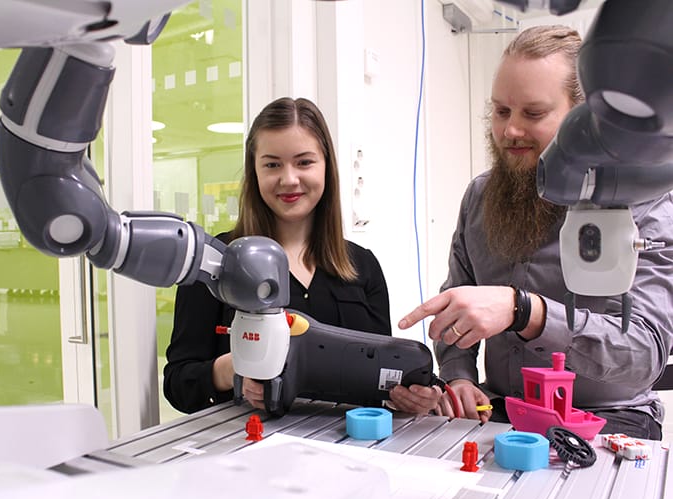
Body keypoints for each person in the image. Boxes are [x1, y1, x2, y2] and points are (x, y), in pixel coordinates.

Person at [396, 25, 673, 439]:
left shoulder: (643, 201)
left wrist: (526, 311)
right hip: (503, 411)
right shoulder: (480, 197)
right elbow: (461, 309)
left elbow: (644, 352)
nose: (510, 131)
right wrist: (458, 379)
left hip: (609, 417)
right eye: (502, 111)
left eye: (533, 113)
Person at [164, 97, 443, 415]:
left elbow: (378, 376)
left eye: (304, 162)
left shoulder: (362, 265)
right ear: (254, 171)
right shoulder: (215, 263)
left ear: (326, 166)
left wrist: (411, 396)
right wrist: (234, 369)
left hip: (352, 449)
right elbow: (177, 385)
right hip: (248, 450)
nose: (289, 179)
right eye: (272, 164)